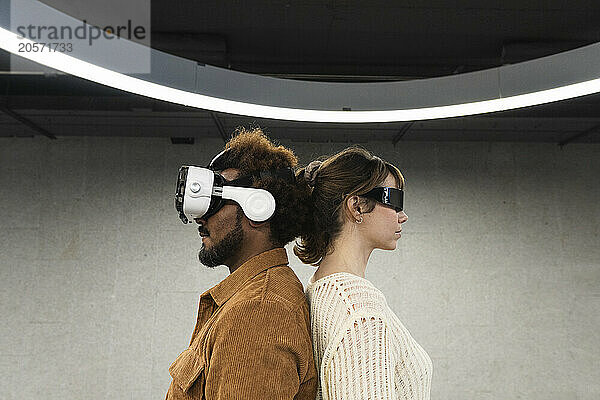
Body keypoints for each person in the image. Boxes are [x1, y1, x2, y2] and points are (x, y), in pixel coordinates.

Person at [166, 128, 317, 400]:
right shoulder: (250, 299)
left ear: (258, 209)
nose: (201, 219)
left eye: (214, 202)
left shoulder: (258, 311)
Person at [295, 147, 433, 400]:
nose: (403, 216)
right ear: (356, 207)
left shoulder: (316, 289)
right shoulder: (359, 309)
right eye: (394, 201)